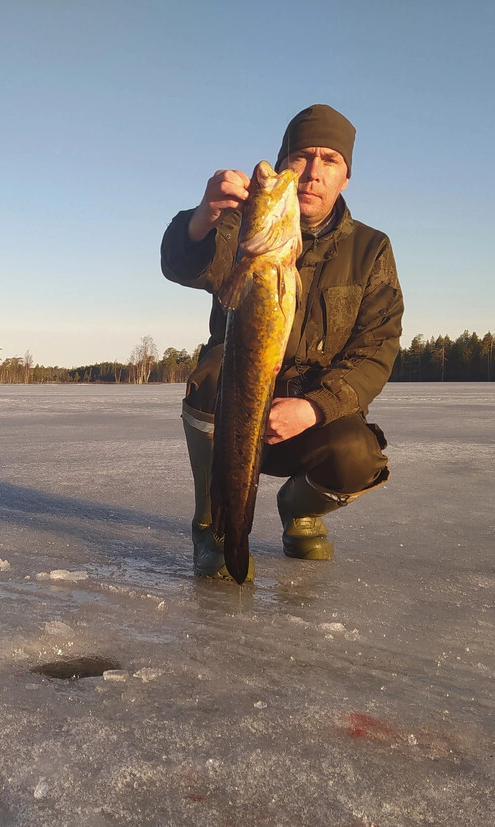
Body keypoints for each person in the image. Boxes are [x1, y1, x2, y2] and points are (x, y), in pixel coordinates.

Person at [161, 104, 404, 580]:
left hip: (308, 418)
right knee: (211, 377)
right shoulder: (240, 229)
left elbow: (377, 348)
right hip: (238, 408)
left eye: (329, 160)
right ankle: (215, 525)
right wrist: (201, 218)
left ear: (346, 177)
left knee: (358, 455)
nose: (312, 172)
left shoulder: (370, 249)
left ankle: (299, 511)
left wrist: (313, 409)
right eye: (301, 157)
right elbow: (184, 264)